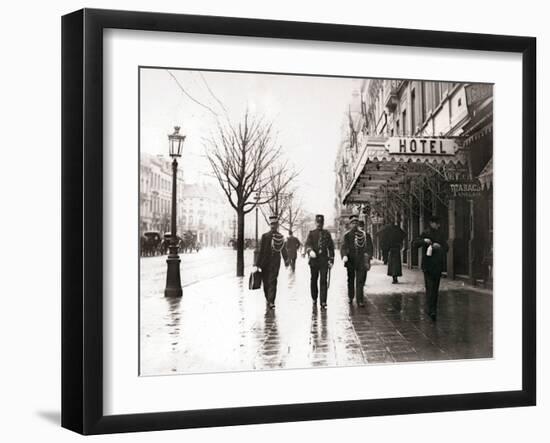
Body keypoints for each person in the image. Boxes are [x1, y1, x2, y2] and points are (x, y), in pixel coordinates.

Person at [413, 214, 449, 321]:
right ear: (431, 223)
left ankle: (432, 309)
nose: (438, 225)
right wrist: (424, 241)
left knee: (435, 288)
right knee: (430, 287)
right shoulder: (425, 233)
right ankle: (431, 309)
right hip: (428, 265)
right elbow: (415, 243)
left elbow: (447, 247)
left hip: (437, 264)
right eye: (436, 223)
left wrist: (440, 247)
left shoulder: (441, 234)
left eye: (438, 224)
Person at [255, 215, 289, 309]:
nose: (273, 226)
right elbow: (261, 251)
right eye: (272, 224)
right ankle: (268, 298)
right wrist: (257, 264)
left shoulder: (280, 237)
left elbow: (283, 249)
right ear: (270, 225)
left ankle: (271, 301)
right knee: (266, 283)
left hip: (275, 263)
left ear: (277, 225)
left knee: (273, 281)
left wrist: (286, 260)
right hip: (265, 263)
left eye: (275, 224)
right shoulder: (265, 236)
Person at [341, 214, 373, 307]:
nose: (354, 224)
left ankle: (360, 300)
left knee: (360, 281)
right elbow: (343, 247)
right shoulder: (347, 236)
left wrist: (368, 255)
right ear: (350, 224)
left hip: (361, 261)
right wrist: (344, 255)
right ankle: (351, 297)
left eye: (356, 223)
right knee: (350, 280)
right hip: (350, 261)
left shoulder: (365, 235)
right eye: (352, 223)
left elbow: (370, 247)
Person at [305, 214, 335, 310]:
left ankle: (323, 301)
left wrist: (331, 260)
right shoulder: (311, 233)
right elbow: (307, 244)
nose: (319, 224)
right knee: (314, 280)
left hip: (323, 261)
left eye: (321, 223)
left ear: (323, 223)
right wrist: (310, 251)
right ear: (315, 222)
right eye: (317, 222)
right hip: (314, 261)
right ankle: (314, 298)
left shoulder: (327, 234)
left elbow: (331, 248)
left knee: (323, 281)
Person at [384, 219, 407, 284]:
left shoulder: (387, 229)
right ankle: (395, 276)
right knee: (396, 263)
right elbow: (404, 234)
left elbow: (384, 238)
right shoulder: (397, 229)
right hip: (397, 248)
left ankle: (393, 277)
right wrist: (399, 241)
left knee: (392, 263)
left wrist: (387, 245)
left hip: (391, 249)